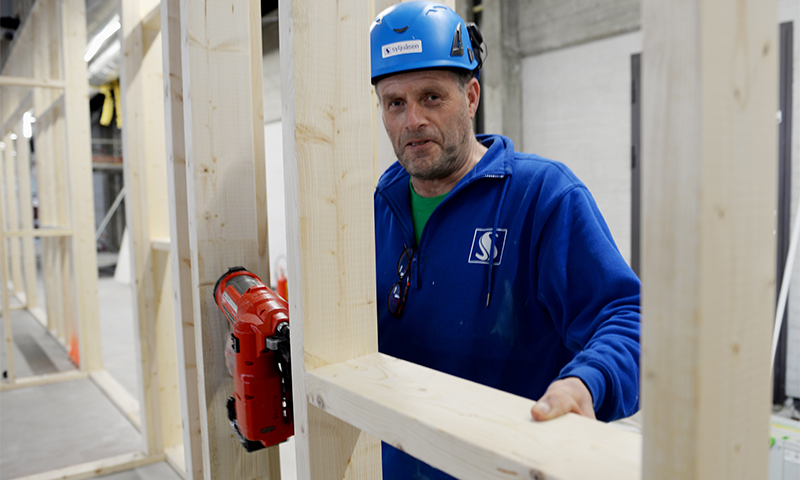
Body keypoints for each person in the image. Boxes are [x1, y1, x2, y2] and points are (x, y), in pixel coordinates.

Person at [370, 2, 641, 478]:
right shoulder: (376, 208)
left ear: (471, 96)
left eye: (431, 97)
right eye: (395, 102)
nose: (411, 120)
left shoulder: (542, 197)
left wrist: (587, 382)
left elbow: (625, 316)